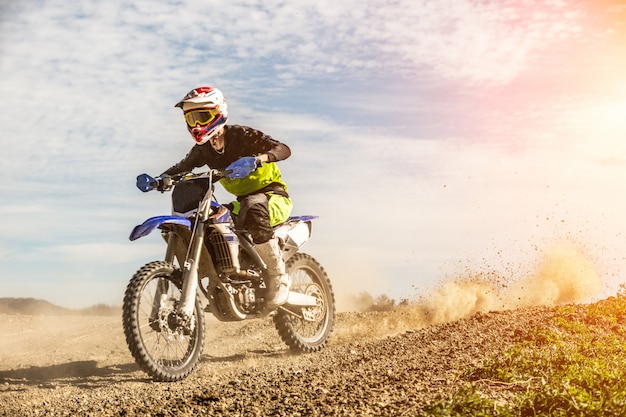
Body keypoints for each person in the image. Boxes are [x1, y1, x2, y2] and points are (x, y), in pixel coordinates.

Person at [160, 86, 292, 310]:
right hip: (243, 203)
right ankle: (223, 280)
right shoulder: (203, 150)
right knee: (214, 220)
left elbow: (283, 148)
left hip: (273, 196)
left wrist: (259, 159)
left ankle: (278, 277)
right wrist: (161, 179)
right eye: (191, 118)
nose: (197, 125)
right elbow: (183, 167)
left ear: (218, 113)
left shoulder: (242, 135)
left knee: (253, 206)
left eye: (202, 116)